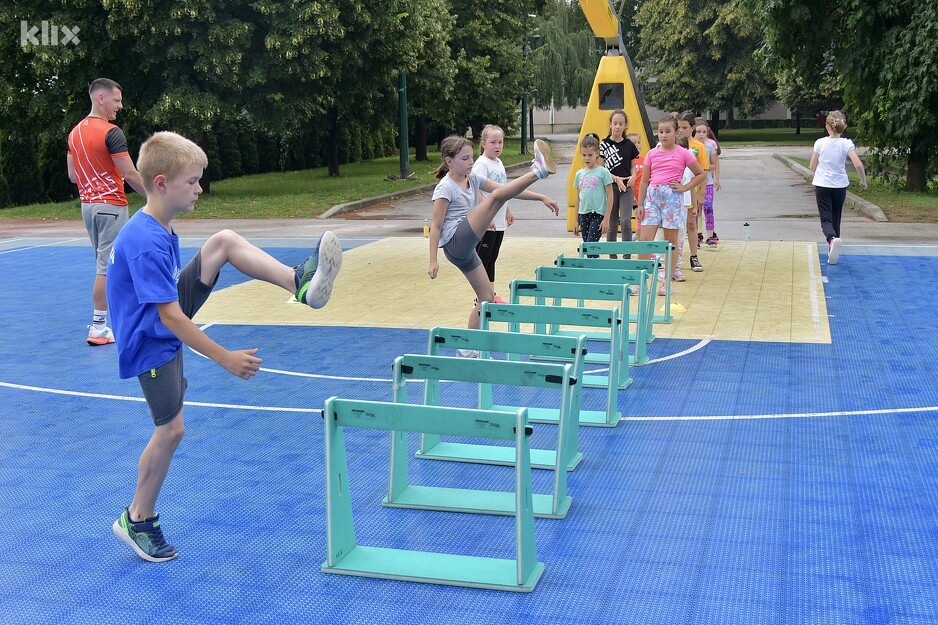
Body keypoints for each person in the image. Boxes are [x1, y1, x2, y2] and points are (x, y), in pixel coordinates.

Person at [108, 131, 343, 562]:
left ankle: (300, 282)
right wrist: (225, 358)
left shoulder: (157, 225)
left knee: (223, 242)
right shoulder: (144, 242)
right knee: (171, 430)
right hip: (150, 344)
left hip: (160, 321)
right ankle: (138, 518)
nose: (199, 189)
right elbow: (170, 318)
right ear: (161, 183)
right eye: (192, 182)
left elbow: (170, 308)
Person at [428, 137, 559, 351]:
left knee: (486, 298)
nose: (471, 162)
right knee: (495, 198)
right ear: (449, 161)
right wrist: (433, 260)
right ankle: (538, 171)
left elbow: (509, 190)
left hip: (466, 249)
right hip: (455, 242)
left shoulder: (473, 178)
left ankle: (468, 346)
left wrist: (541, 197)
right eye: (465, 158)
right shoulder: (445, 188)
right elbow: (435, 226)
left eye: (471, 157)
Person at [67, 78, 147, 346]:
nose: (120, 106)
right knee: (106, 268)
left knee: (109, 264)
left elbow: (72, 175)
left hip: (88, 206)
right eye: (117, 100)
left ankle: (118, 318)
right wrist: (157, 198)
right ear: (101, 98)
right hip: (110, 206)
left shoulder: (74, 133)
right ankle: (99, 327)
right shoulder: (111, 132)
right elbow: (130, 173)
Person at [636, 116, 706, 296]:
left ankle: (666, 281)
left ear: (676, 133)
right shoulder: (652, 153)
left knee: (670, 242)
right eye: (660, 131)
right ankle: (640, 280)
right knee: (644, 240)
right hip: (653, 198)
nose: (664, 135)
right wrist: (641, 204)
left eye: (668, 131)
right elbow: (644, 181)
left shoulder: (683, 153)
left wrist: (684, 188)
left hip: (672, 200)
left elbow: (700, 174)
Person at [809, 110, 867, 264]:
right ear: (844, 126)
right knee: (836, 218)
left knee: (826, 219)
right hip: (840, 186)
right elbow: (858, 164)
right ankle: (832, 251)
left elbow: (812, 165)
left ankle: (831, 239)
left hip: (822, 185)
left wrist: (820, 173)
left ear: (827, 126)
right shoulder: (846, 143)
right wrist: (863, 181)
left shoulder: (820, 143)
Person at [471, 125, 512, 303]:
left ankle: (491, 294)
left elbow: (503, 189)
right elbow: (475, 189)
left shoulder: (498, 162)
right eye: (493, 142)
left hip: (499, 220)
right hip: (487, 222)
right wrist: (485, 217)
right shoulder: (481, 164)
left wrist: (508, 210)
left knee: (492, 258)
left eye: (500, 142)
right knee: (483, 260)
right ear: (483, 143)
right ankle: (480, 297)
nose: (497, 146)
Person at [598, 110, 639, 257]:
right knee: (613, 222)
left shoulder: (629, 145)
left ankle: (627, 255)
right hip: (611, 187)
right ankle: (612, 256)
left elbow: (633, 165)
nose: (617, 127)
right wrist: (616, 179)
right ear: (610, 124)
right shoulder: (604, 144)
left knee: (626, 221)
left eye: (621, 124)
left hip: (627, 187)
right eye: (615, 123)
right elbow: (601, 169)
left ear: (625, 125)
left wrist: (634, 174)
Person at [677, 111, 709, 273]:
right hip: (678, 193)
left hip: (692, 192)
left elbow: (703, 172)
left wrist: (701, 195)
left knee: (691, 224)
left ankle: (694, 256)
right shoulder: (675, 145)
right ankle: (676, 257)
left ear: (693, 128)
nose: (681, 130)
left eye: (684, 127)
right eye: (679, 127)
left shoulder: (699, 147)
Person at [575, 134, 614, 258]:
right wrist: (576, 220)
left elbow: (610, 195)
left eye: (590, 155)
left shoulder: (603, 172)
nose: (587, 158)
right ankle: (593, 270)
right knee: (588, 248)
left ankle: (594, 272)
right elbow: (578, 198)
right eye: (584, 155)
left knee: (591, 246)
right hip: (583, 214)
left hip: (597, 214)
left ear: (597, 153)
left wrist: (606, 218)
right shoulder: (579, 174)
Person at [694, 122, 721, 246]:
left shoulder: (709, 146)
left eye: (704, 132)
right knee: (695, 210)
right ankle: (696, 235)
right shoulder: (689, 145)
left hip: (708, 181)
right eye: (699, 131)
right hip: (693, 183)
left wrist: (704, 167)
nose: (701, 134)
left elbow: (714, 164)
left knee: (708, 206)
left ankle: (710, 235)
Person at [627, 132, 644, 240]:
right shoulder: (628, 162)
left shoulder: (644, 159)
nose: (637, 145)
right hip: (634, 198)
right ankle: (640, 242)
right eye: (634, 143)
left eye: (638, 142)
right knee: (639, 219)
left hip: (644, 197)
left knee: (644, 219)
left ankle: (637, 238)